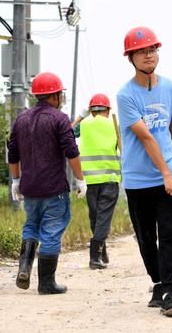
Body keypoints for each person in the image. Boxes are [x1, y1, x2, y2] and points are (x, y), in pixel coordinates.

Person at [116, 26, 172, 318]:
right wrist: (164, 172)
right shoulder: (125, 96)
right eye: (142, 51)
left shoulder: (171, 88)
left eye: (152, 50)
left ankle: (169, 292)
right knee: (146, 238)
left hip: (171, 175)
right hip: (140, 179)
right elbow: (146, 137)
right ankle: (158, 282)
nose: (148, 55)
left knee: (171, 233)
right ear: (131, 58)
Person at [7, 71, 87, 295]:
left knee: (31, 225)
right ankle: (46, 283)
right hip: (54, 190)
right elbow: (72, 152)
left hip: (30, 189)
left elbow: (12, 154)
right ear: (54, 96)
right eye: (60, 94)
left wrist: (16, 180)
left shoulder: (21, 119)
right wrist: (80, 180)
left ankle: (24, 268)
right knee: (51, 231)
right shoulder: (59, 119)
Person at [70, 93, 121, 269]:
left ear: (91, 110)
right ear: (108, 110)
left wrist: (80, 116)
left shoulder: (83, 125)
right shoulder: (114, 124)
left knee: (95, 217)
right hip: (109, 178)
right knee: (103, 218)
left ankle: (101, 251)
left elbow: (67, 132)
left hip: (89, 180)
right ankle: (94, 257)